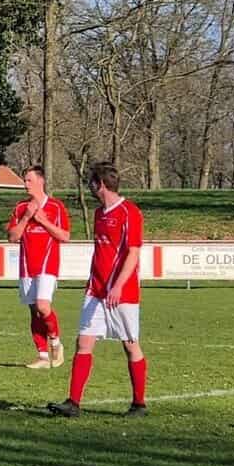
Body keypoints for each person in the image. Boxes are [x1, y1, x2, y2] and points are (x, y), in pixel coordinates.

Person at [49, 162, 147, 418]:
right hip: (96, 290)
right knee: (83, 342)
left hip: (122, 293)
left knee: (130, 345)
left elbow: (133, 253)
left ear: (101, 184)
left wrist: (117, 285)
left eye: (91, 182)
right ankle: (73, 403)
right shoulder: (99, 213)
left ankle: (139, 403)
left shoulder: (130, 212)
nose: (89, 187)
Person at [8, 164, 71, 370]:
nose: (25, 184)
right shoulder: (19, 208)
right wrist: (27, 217)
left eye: (29, 180)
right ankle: (43, 355)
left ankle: (55, 341)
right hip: (27, 267)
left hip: (48, 265)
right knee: (34, 311)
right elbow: (12, 237)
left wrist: (43, 221)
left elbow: (65, 236)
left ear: (40, 181)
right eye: (25, 180)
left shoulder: (56, 206)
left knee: (43, 306)